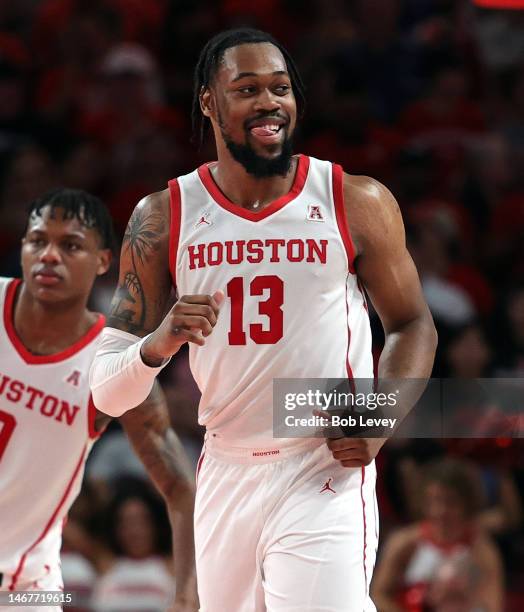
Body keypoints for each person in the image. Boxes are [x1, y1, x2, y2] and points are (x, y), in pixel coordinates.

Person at [90, 28, 437, 612]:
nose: (269, 102)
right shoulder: (164, 216)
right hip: (225, 465)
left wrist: (378, 418)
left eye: (280, 88)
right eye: (247, 89)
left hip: (319, 463)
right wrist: (160, 341)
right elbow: (105, 389)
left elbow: (412, 325)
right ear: (209, 102)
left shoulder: (353, 200)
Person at [0, 188, 198, 612]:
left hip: (26, 588)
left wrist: (185, 595)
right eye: (38, 241)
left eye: (70, 245)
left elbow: (181, 488)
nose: (49, 255)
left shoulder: (109, 365)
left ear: (104, 261)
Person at [371, 458, 504, 612]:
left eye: (450, 502)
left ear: (467, 504)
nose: (440, 510)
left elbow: (492, 605)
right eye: (434, 500)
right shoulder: (404, 543)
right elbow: (378, 595)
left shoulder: (482, 551)